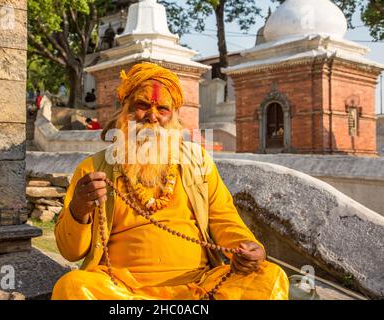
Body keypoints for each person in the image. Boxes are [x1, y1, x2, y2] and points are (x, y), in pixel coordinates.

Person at [52, 62, 289, 300]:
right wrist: (79, 209)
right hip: (122, 291)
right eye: (142, 106)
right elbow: (71, 252)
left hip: (201, 288)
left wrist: (247, 245)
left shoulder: (197, 162)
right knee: (72, 286)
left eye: (162, 109)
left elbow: (224, 217)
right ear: (125, 112)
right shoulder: (93, 169)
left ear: (174, 116)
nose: (152, 116)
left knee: (270, 276)